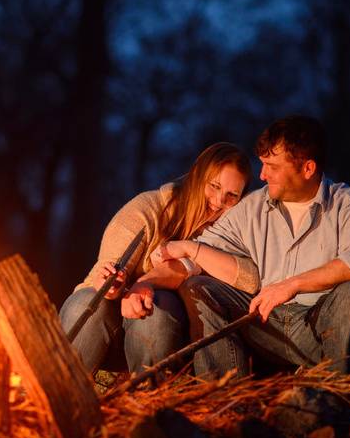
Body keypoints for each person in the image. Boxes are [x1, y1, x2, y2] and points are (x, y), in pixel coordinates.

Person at [154, 115, 350, 376]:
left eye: (272, 166)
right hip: (264, 323)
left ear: (308, 169)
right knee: (199, 287)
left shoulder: (349, 203)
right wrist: (152, 277)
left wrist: (292, 284)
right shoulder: (252, 207)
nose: (262, 175)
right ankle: (225, 401)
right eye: (263, 164)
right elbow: (201, 251)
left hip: (320, 326)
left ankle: (333, 398)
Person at [60, 142, 251, 375]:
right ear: (196, 177)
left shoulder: (230, 234)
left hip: (172, 339)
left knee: (156, 308)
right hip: (114, 325)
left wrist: (153, 279)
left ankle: (147, 400)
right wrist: (111, 285)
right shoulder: (149, 209)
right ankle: (59, 393)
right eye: (214, 186)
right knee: (86, 301)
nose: (219, 201)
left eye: (232, 195)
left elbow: (249, 277)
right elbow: (106, 267)